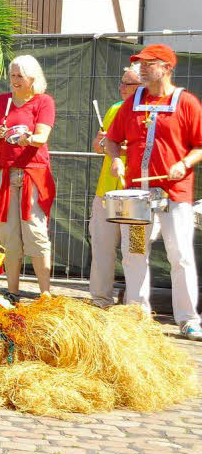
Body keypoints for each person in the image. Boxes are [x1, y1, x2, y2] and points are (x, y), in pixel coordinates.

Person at [103, 44, 202, 341]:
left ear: (167, 67)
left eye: (149, 63)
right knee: (133, 252)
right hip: (138, 196)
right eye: (140, 63)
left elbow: (199, 146)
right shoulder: (131, 102)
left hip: (175, 196)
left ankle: (188, 319)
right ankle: (137, 315)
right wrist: (117, 159)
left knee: (180, 254)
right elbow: (111, 140)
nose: (142, 68)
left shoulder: (186, 103)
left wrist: (183, 163)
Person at [0, 55, 55, 301]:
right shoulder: (2, 101)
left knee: (35, 231)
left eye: (20, 76)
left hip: (33, 172)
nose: (14, 80)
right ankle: (12, 292)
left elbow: (42, 136)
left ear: (33, 78)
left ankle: (44, 293)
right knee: (8, 233)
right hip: (6, 173)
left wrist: (28, 138)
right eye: (12, 75)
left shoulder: (43, 101)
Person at [88, 64, 142, 308]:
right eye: (121, 82)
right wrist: (102, 144)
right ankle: (101, 300)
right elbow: (98, 145)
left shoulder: (150, 112)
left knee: (136, 252)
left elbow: (140, 150)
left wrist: (114, 148)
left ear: (141, 86)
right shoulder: (114, 109)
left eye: (126, 83)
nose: (121, 87)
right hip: (106, 192)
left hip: (136, 194)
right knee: (101, 249)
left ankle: (136, 306)